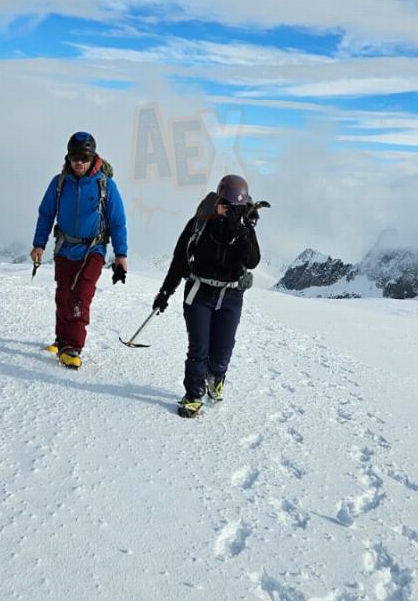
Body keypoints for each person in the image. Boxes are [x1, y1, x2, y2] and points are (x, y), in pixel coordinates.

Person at [152, 173, 261, 417]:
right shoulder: (200, 223)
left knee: (222, 351)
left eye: (236, 208)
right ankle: (193, 395)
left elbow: (252, 261)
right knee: (199, 348)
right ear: (217, 200)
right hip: (199, 292)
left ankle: (216, 378)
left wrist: (241, 230)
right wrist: (165, 292)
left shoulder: (244, 229)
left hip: (231, 297)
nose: (229, 211)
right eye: (226, 206)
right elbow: (180, 260)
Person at [31, 131, 128, 369]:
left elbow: (117, 221)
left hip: (93, 249)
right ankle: (61, 338)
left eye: (84, 158)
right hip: (64, 247)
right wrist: (39, 244)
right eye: (75, 157)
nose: (79, 163)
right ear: (68, 157)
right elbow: (46, 214)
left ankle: (73, 347)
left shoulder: (106, 185)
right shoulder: (59, 183)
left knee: (81, 296)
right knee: (64, 293)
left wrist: (121, 255)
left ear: (92, 157)